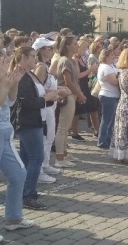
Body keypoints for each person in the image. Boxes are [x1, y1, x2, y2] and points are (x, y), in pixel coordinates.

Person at [0, 39, 34, 244]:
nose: (6, 57)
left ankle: (14, 218)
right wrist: (3, 83)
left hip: (4, 132)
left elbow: (11, 101)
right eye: (1, 53)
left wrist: (12, 84)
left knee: (18, 173)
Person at [11, 47, 58, 209]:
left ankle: (23, 192)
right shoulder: (22, 75)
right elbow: (26, 102)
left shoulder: (30, 74)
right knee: (36, 157)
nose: (34, 59)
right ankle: (28, 195)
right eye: (31, 56)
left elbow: (38, 95)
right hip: (28, 122)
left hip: (35, 119)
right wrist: (46, 99)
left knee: (26, 158)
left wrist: (52, 95)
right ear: (23, 57)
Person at [32, 37, 69, 184]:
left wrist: (58, 89)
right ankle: (40, 170)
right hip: (45, 106)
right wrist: (56, 91)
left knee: (50, 137)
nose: (52, 50)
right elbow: (37, 88)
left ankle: (45, 164)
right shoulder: (41, 66)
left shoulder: (45, 65)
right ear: (41, 50)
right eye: (48, 48)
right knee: (45, 138)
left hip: (50, 105)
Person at [55, 36, 83, 168]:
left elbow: (75, 81)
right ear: (67, 46)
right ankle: (59, 157)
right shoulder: (65, 60)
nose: (77, 46)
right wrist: (80, 95)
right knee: (63, 127)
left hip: (72, 95)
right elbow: (68, 82)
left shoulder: (71, 60)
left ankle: (64, 153)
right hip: (67, 95)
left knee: (66, 127)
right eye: (75, 44)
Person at [97, 48, 120, 149]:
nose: (113, 56)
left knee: (111, 121)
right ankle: (102, 141)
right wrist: (120, 77)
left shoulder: (111, 66)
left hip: (113, 95)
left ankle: (109, 139)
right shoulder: (105, 67)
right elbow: (114, 82)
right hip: (108, 95)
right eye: (111, 55)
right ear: (105, 56)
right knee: (107, 120)